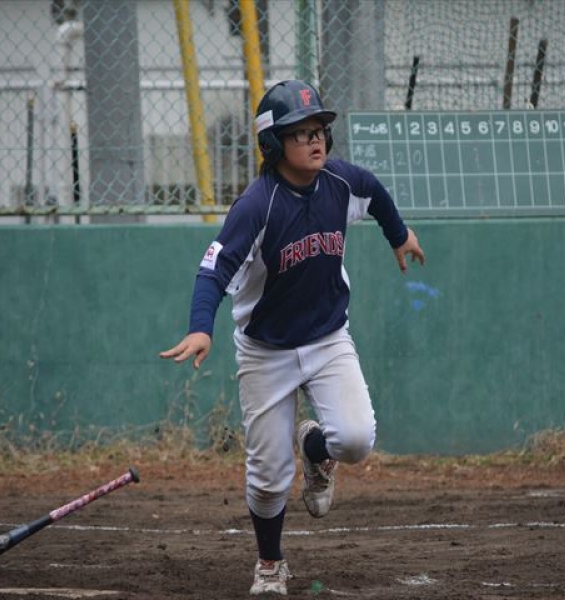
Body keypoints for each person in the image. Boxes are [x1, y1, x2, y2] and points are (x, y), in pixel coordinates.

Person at [160, 79, 425, 596]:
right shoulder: (257, 206)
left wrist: (399, 234)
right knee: (267, 477)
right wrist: (200, 327)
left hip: (327, 338)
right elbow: (213, 270)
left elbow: (373, 192)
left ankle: (315, 447)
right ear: (272, 144)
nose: (315, 139)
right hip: (266, 350)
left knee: (356, 439)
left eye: (319, 129)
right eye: (300, 133)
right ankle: (270, 562)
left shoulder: (340, 182)